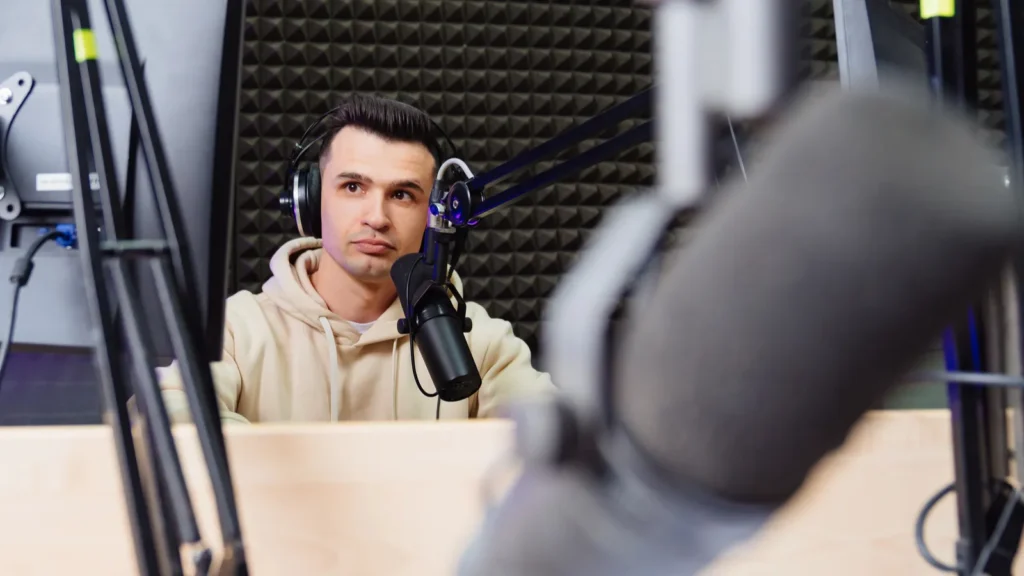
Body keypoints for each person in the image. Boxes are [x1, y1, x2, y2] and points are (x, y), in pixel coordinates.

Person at [158, 94, 554, 424]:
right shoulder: (237, 331)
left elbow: (560, 448)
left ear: (434, 217)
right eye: (353, 187)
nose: (377, 217)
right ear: (311, 202)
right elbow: (166, 419)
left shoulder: (478, 342)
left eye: (402, 195)